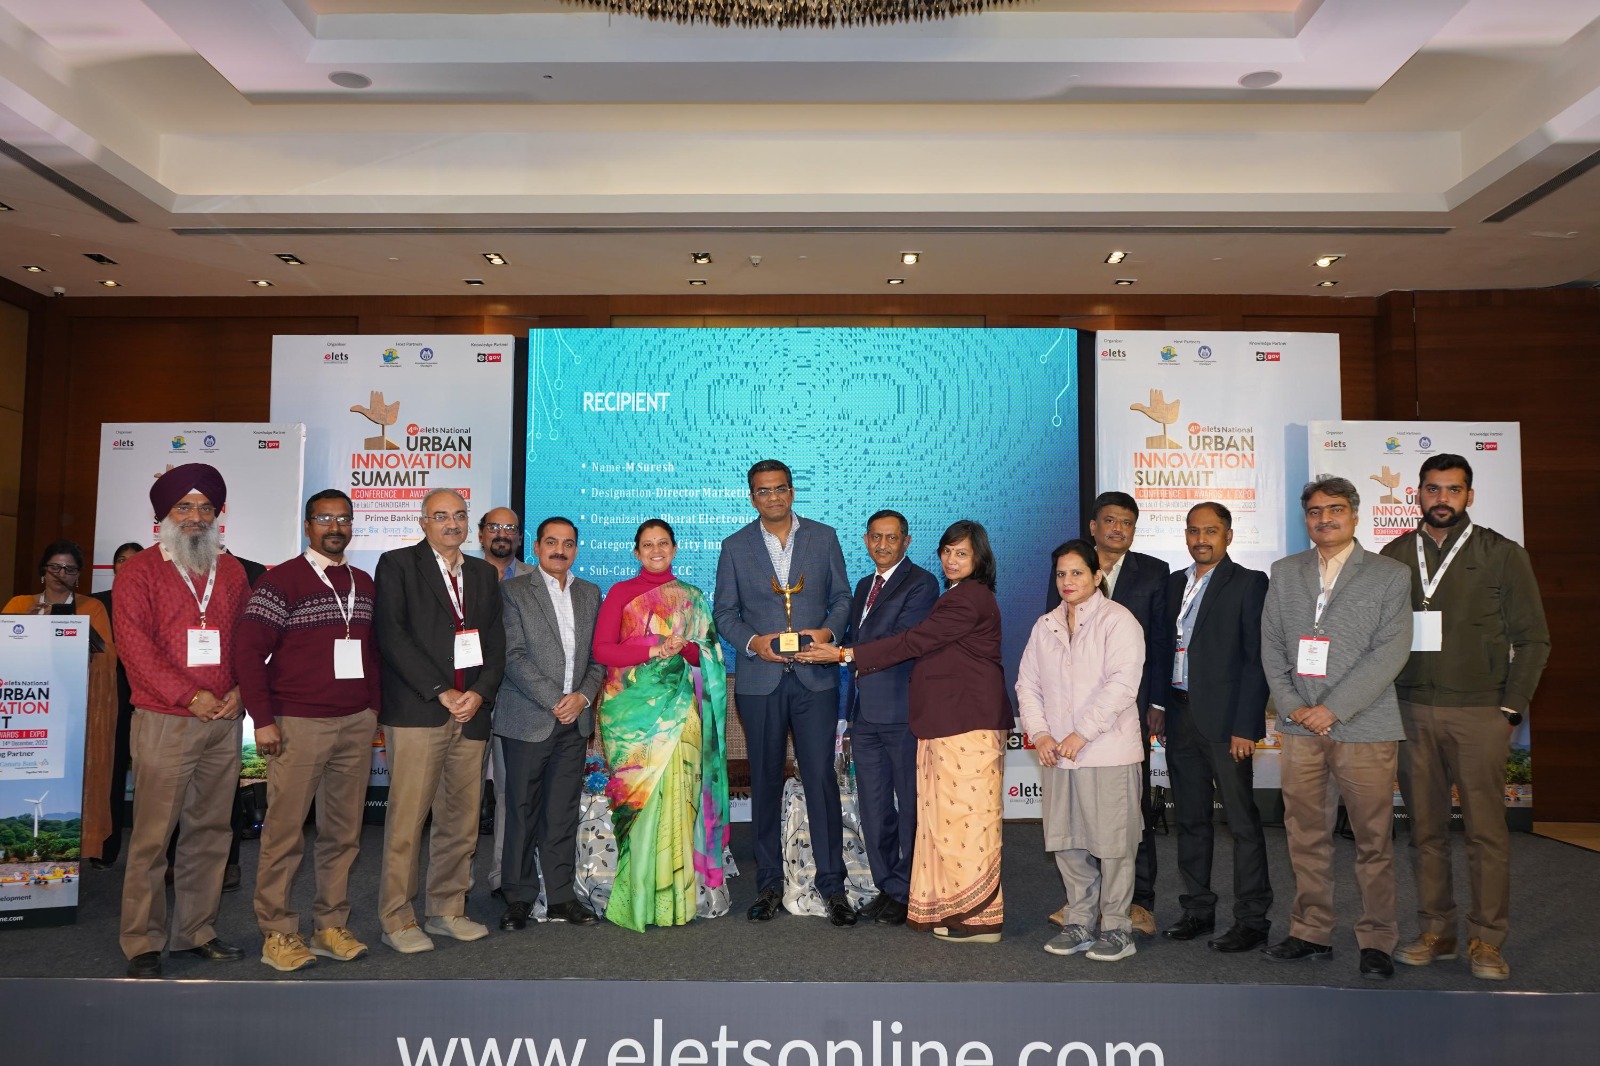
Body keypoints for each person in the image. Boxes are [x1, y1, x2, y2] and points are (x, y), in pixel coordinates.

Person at [802, 520, 1014, 943]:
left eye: (962, 553)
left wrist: (843, 654)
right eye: (947, 552)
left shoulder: (960, 595)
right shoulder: (948, 593)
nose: (951, 560)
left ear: (980, 558)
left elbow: (912, 641)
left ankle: (975, 917)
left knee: (963, 822)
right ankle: (922, 899)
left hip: (958, 720)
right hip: (933, 719)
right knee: (934, 818)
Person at [1380, 454, 1550, 981]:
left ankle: (1487, 939)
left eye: (1453, 490)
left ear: (1469, 496)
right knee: (1425, 830)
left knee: (1485, 834)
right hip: (1411, 710)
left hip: (1480, 712)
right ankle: (1438, 931)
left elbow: (1533, 639)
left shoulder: (1503, 554)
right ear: (1417, 494)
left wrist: (1511, 706)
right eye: (1433, 489)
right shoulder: (1394, 555)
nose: (1442, 499)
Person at [1260, 476, 1411, 980]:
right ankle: (1311, 932)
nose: (1324, 519)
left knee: (1373, 840)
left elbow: (1390, 652)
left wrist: (1334, 709)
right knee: (1305, 836)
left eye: (1335, 509)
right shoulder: (1285, 572)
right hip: (1299, 727)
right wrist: (1291, 705)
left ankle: (1377, 939)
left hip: (1365, 727)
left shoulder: (1390, 575)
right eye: (1315, 511)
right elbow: (1271, 646)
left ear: (1354, 515)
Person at [234, 489, 383, 972]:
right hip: (298, 723)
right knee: (284, 834)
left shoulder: (363, 583)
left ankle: (329, 925)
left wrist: (373, 710)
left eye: (343, 519)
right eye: (324, 518)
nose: (335, 527)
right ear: (307, 526)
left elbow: (373, 653)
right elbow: (247, 653)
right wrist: (262, 719)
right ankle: (276, 932)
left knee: (343, 833)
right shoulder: (281, 581)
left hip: (355, 723)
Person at [112, 463, 251, 979]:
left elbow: (246, 639)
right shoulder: (139, 571)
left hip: (224, 719)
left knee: (211, 831)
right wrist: (190, 696)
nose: (196, 516)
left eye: (205, 507)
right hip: (166, 718)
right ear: (164, 515)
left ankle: (196, 931)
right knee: (153, 836)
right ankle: (142, 941)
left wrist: (239, 689)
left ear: (217, 515)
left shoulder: (231, 571)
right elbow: (134, 648)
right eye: (184, 507)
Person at [712, 459, 853, 926]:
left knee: (820, 780)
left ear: (792, 492)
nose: (772, 497)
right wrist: (755, 643)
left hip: (815, 680)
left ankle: (833, 886)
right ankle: (769, 884)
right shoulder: (735, 546)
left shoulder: (824, 537)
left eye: (779, 489)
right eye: (763, 491)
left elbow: (842, 598)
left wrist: (827, 634)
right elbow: (724, 613)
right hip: (761, 682)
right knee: (766, 782)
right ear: (752, 497)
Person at [374, 488, 505, 954]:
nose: (452, 524)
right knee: (407, 822)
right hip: (420, 711)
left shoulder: (483, 574)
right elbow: (392, 635)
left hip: (471, 713)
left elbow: (495, 641)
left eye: (459, 515)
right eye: (441, 516)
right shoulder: (397, 565)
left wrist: (479, 693)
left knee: (460, 821)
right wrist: (441, 691)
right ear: (424, 522)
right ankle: (397, 919)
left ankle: (447, 909)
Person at [592, 518, 732, 931]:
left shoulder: (692, 597)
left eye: (663, 543)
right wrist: (655, 647)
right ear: (636, 552)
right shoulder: (620, 593)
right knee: (639, 803)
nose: (656, 550)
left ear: (674, 549)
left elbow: (710, 656)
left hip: (678, 711)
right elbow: (603, 651)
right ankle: (636, 898)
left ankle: (675, 901)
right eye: (648, 544)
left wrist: (684, 647)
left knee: (677, 799)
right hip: (628, 716)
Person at [1045, 491, 1169, 937]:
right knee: (1075, 818)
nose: (1118, 529)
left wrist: (1157, 703)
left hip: (1125, 713)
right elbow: (1051, 645)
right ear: (1093, 526)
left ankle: (1137, 903)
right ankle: (1083, 903)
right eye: (1110, 521)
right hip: (1068, 722)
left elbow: (1160, 643)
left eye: (1127, 523)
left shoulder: (1153, 572)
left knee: (1127, 815)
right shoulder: (1068, 569)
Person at [1016, 539, 1146, 962]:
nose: (1067, 581)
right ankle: (1079, 922)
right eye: (1061, 574)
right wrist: (1040, 734)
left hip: (1107, 752)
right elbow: (1027, 685)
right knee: (1068, 841)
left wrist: (1081, 734)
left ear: (1096, 575)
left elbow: (1122, 686)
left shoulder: (1118, 621)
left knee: (1114, 845)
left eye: (1076, 572)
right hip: (1058, 754)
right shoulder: (1045, 625)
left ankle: (1118, 928)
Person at [1160, 502, 1273, 953]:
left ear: (1228, 535)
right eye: (1194, 531)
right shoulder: (1173, 584)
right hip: (1180, 714)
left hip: (1227, 724)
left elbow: (1256, 659)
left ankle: (1252, 920)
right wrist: (1158, 705)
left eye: (1211, 530)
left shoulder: (1249, 582)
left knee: (1242, 824)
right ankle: (1197, 911)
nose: (1201, 539)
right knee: (1190, 820)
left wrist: (1246, 725)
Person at [494, 516, 605, 931]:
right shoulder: (513, 591)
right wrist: (557, 700)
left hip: (574, 721)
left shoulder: (590, 593)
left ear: (576, 549)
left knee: (562, 812)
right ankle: (518, 897)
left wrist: (582, 697)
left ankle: (561, 897)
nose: (560, 550)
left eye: (568, 543)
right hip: (529, 717)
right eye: (552, 542)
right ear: (537, 547)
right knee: (522, 811)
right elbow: (512, 655)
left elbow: (597, 658)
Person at [840, 510, 938, 925]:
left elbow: (901, 642)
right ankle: (887, 885)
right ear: (866, 541)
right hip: (865, 715)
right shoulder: (864, 585)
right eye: (876, 537)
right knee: (874, 806)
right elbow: (855, 639)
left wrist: (843, 652)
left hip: (902, 712)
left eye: (892, 538)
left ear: (906, 541)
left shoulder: (922, 583)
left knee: (910, 808)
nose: (883, 545)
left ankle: (907, 888)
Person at [5, 540, 118, 865]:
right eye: (54, 567)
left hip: (72, 717)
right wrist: (28, 626)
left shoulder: (92, 609)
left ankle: (66, 858)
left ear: (78, 576)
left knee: (67, 787)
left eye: (69, 569)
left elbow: (107, 660)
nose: (60, 574)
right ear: (43, 571)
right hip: (26, 713)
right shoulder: (19, 603)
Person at [476, 506, 535, 900]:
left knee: (509, 792)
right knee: (462, 795)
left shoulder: (536, 577)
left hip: (518, 696)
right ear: (481, 534)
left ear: (520, 537)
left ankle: (503, 874)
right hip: (468, 696)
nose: (503, 533)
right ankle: (455, 886)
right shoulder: (460, 573)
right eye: (495, 527)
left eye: (510, 528)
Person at [92, 541, 143, 867]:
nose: (126, 565)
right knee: (110, 774)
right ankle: (105, 849)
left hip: (153, 699)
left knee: (156, 780)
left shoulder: (158, 599)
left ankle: (156, 857)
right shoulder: (97, 604)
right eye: (120, 559)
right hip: (112, 700)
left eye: (134, 560)